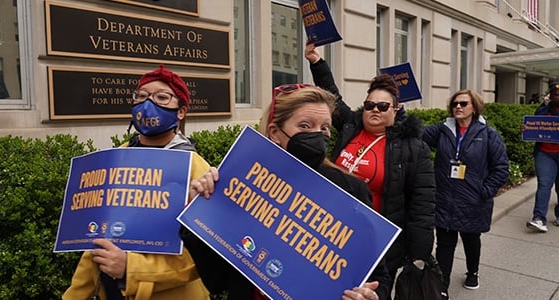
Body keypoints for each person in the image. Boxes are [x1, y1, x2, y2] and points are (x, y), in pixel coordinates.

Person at [181, 84, 391, 300]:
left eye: (325, 128)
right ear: (275, 132)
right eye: (305, 125)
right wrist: (199, 207)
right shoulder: (245, 187)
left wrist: (368, 295)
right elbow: (218, 281)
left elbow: (378, 277)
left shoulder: (351, 191)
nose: (317, 135)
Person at [63, 65, 211, 300]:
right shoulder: (115, 159)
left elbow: (202, 257)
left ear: (181, 111)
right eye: (141, 96)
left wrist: (131, 268)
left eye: (161, 97)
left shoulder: (196, 169)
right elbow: (95, 243)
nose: (148, 104)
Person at [305, 44, 436, 300]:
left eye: (383, 106)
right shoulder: (351, 126)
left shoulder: (413, 147)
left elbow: (423, 205)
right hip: (331, 232)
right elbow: (332, 96)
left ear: (396, 110)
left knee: (370, 294)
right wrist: (317, 62)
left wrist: (419, 256)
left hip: (377, 243)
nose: (375, 109)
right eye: (369, 104)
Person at [422, 89, 509, 299]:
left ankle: (473, 271)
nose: (458, 107)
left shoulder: (488, 134)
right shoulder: (443, 130)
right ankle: (442, 287)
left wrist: (485, 191)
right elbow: (417, 132)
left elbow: (501, 167)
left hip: (473, 201)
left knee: (471, 240)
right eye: (455, 104)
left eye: (463, 103)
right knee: (444, 244)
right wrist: (399, 109)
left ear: (474, 107)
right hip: (445, 199)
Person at [527, 81, 559, 233]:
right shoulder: (543, 111)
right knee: (544, 184)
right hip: (545, 154)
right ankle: (539, 218)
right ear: (550, 96)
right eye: (556, 94)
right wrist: (527, 129)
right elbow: (534, 126)